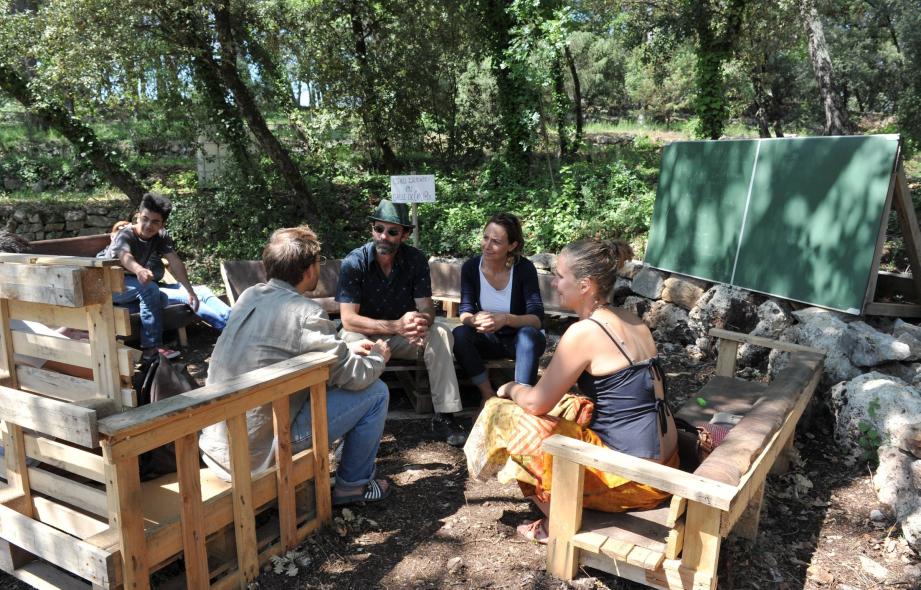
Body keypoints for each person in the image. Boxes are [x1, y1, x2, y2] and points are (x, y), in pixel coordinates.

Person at [464, 239, 678, 542]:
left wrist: (512, 387)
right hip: (666, 467)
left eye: (560, 275)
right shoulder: (631, 319)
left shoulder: (585, 332)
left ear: (585, 285)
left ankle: (556, 524)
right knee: (568, 403)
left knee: (504, 414)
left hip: (634, 482)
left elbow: (537, 403)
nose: (554, 282)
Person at [199, 225, 393, 505]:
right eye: (318, 262)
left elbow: (281, 348)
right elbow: (355, 377)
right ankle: (353, 487)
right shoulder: (306, 312)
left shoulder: (250, 296)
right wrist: (378, 357)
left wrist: (346, 347)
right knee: (376, 392)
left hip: (218, 445)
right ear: (309, 270)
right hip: (258, 453)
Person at [336, 199, 467, 446]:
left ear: (405, 235)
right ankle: (352, 424)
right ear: (372, 229)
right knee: (352, 343)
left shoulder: (415, 260)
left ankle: (445, 415)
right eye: (379, 229)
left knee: (440, 333)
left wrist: (420, 322)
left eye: (392, 231)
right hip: (363, 334)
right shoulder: (354, 262)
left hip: (402, 336)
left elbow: (427, 307)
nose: (384, 236)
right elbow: (348, 319)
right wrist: (396, 325)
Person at [452, 213, 546, 405]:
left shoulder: (523, 269)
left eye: (496, 241)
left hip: (520, 341)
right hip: (489, 339)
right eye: (485, 238)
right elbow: (465, 311)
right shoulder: (471, 267)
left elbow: (537, 318)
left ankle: (521, 400)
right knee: (460, 334)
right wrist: (474, 320)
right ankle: (488, 395)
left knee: (528, 334)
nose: (487, 246)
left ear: (512, 246)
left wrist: (506, 319)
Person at [100, 194, 198, 359]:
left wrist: (189, 291)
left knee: (160, 299)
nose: (148, 226)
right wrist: (139, 270)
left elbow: (175, 262)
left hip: (127, 287)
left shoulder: (160, 237)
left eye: (155, 222)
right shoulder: (126, 234)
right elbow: (124, 256)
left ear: (162, 224)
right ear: (138, 216)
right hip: (106, 283)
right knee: (150, 289)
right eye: (144, 219)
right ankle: (151, 348)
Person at [105, 220, 232, 332]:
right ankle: (227, 328)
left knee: (202, 290)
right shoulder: (105, 255)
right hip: (136, 292)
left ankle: (235, 319)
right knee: (187, 296)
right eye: (119, 229)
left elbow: (162, 269)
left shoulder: (144, 249)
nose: (124, 231)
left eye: (127, 227)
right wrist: (139, 270)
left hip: (154, 286)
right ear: (112, 236)